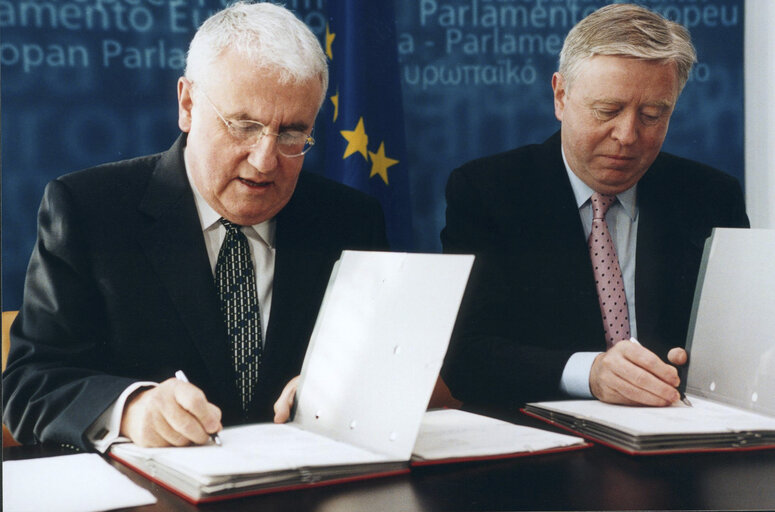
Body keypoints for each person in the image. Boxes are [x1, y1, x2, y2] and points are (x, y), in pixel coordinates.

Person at [2, 2, 387, 451]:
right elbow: (30, 384)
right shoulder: (90, 210)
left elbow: (386, 362)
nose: (265, 161)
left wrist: (346, 390)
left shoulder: (350, 218)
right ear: (187, 104)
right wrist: (130, 409)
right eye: (244, 126)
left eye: (291, 134)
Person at [440, 3, 749, 410]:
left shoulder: (711, 196)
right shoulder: (488, 191)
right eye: (608, 110)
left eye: (653, 115)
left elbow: (743, 340)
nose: (627, 135)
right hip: (545, 448)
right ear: (561, 96)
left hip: (681, 435)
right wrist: (592, 373)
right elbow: (467, 357)